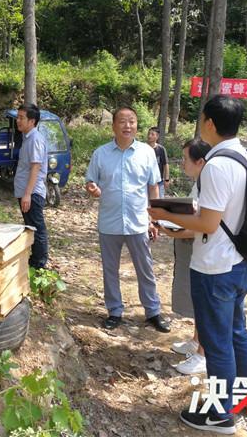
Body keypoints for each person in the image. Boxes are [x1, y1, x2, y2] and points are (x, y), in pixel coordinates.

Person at [148, 95, 247, 435]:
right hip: (241, 262)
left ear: (210, 123)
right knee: (236, 332)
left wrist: (164, 214)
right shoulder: (246, 155)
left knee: (216, 342)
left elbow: (210, 223)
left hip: (216, 267)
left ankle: (220, 414)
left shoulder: (217, 164)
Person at [85, 107, 169, 333]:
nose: (127, 125)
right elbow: (91, 181)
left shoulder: (147, 153)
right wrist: (92, 189)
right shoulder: (100, 154)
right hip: (109, 222)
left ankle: (153, 312)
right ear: (113, 125)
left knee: (145, 269)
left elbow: (153, 187)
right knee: (109, 270)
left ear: (137, 125)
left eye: (131, 121)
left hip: (138, 221)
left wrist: (155, 220)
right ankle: (114, 311)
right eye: (122, 121)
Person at [157, 138, 211, 375]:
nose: (181, 164)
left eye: (185, 159)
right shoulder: (201, 181)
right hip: (195, 248)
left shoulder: (211, 183)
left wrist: (172, 227)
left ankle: (203, 354)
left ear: (199, 161)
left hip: (208, 252)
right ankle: (196, 340)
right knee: (195, 297)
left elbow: (206, 224)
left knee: (206, 303)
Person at [14, 103, 48, 269]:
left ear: (32, 121)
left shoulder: (35, 139)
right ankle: (34, 261)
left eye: (21, 118)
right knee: (31, 226)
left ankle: (39, 265)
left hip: (32, 193)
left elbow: (36, 167)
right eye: (17, 117)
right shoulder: (27, 138)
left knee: (37, 228)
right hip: (25, 191)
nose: (18, 121)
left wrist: (27, 194)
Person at [147, 126, 169, 198]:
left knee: (159, 203)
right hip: (146, 182)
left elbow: (166, 165)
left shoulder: (161, 149)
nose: (149, 136)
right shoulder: (144, 148)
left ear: (157, 136)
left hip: (159, 182)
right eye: (149, 134)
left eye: (152, 134)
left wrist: (166, 179)